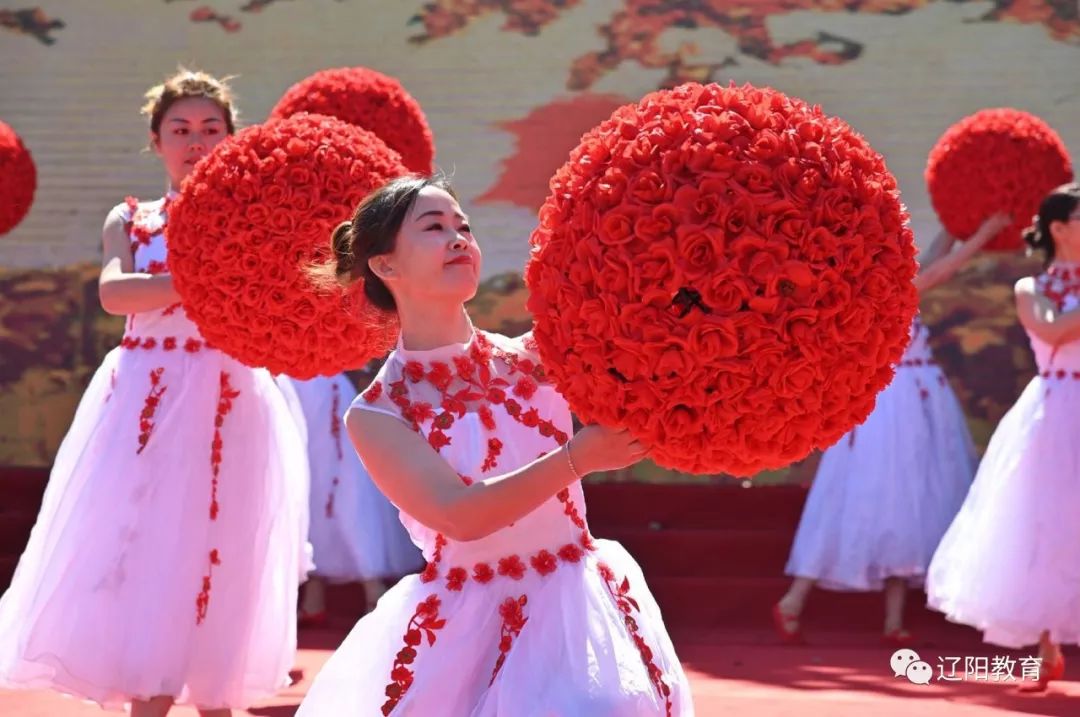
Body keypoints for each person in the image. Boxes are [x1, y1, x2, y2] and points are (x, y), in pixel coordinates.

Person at [297, 174, 692, 716]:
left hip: (580, 605)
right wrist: (581, 458)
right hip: (466, 635)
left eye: (464, 226)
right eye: (435, 228)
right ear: (385, 266)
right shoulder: (378, 412)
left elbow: (651, 323)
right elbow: (460, 517)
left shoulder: (538, 355)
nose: (459, 238)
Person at [0, 69, 308, 716]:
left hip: (231, 395)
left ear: (232, 137)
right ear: (156, 140)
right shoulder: (132, 217)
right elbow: (117, 293)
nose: (196, 141)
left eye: (210, 128)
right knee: (145, 547)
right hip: (149, 393)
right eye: (180, 129)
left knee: (222, 549)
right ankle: (150, 691)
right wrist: (205, 277)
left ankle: (216, 695)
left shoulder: (255, 220)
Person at [775, 212, 1010, 645]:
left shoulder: (886, 286)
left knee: (908, 499)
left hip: (911, 402)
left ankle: (887, 619)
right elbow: (941, 271)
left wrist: (954, 219)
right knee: (890, 496)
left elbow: (933, 263)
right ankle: (803, 601)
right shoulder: (871, 292)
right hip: (894, 405)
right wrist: (982, 232)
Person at [928, 184, 1080, 692]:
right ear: (1058, 228)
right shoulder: (1029, 289)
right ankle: (1046, 644)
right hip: (1056, 410)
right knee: (1047, 521)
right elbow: (1054, 332)